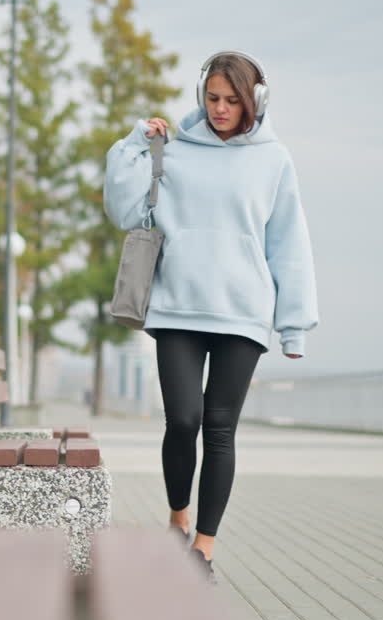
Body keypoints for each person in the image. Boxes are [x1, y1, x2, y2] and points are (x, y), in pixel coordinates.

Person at [103, 51, 319, 582]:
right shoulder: (172, 149)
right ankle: (177, 516)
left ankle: (203, 545)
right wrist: (134, 144)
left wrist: (293, 323)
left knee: (220, 430)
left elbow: (288, 243)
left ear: (255, 102)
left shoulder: (274, 160)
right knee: (183, 420)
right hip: (176, 306)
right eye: (212, 98)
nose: (220, 109)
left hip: (243, 315)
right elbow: (122, 208)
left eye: (232, 100)